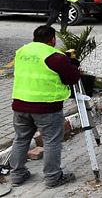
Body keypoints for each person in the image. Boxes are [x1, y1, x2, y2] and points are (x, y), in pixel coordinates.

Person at [10, 25, 80, 188]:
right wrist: (73, 65)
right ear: (53, 40)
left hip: (20, 104)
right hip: (47, 108)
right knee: (51, 141)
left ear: (34, 38)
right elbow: (72, 78)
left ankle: (17, 175)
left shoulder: (22, 51)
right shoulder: (55, 57)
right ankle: (53, 177)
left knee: (21, 139)